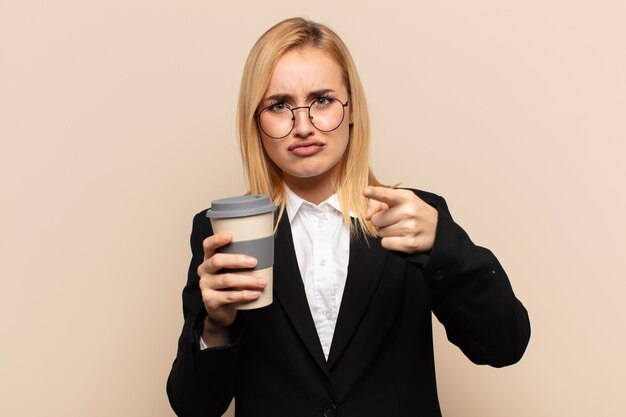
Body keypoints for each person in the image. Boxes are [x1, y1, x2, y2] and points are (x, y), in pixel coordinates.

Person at [167, 17, 530, 417]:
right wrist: (215, 326)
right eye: (278, 105)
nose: (302, 126)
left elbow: (504, 346)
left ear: (352, 108)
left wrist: (446, 246)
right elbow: (193, 407)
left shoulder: (412, 218)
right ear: (256, 122)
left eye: (322, 100)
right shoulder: (221, 232)